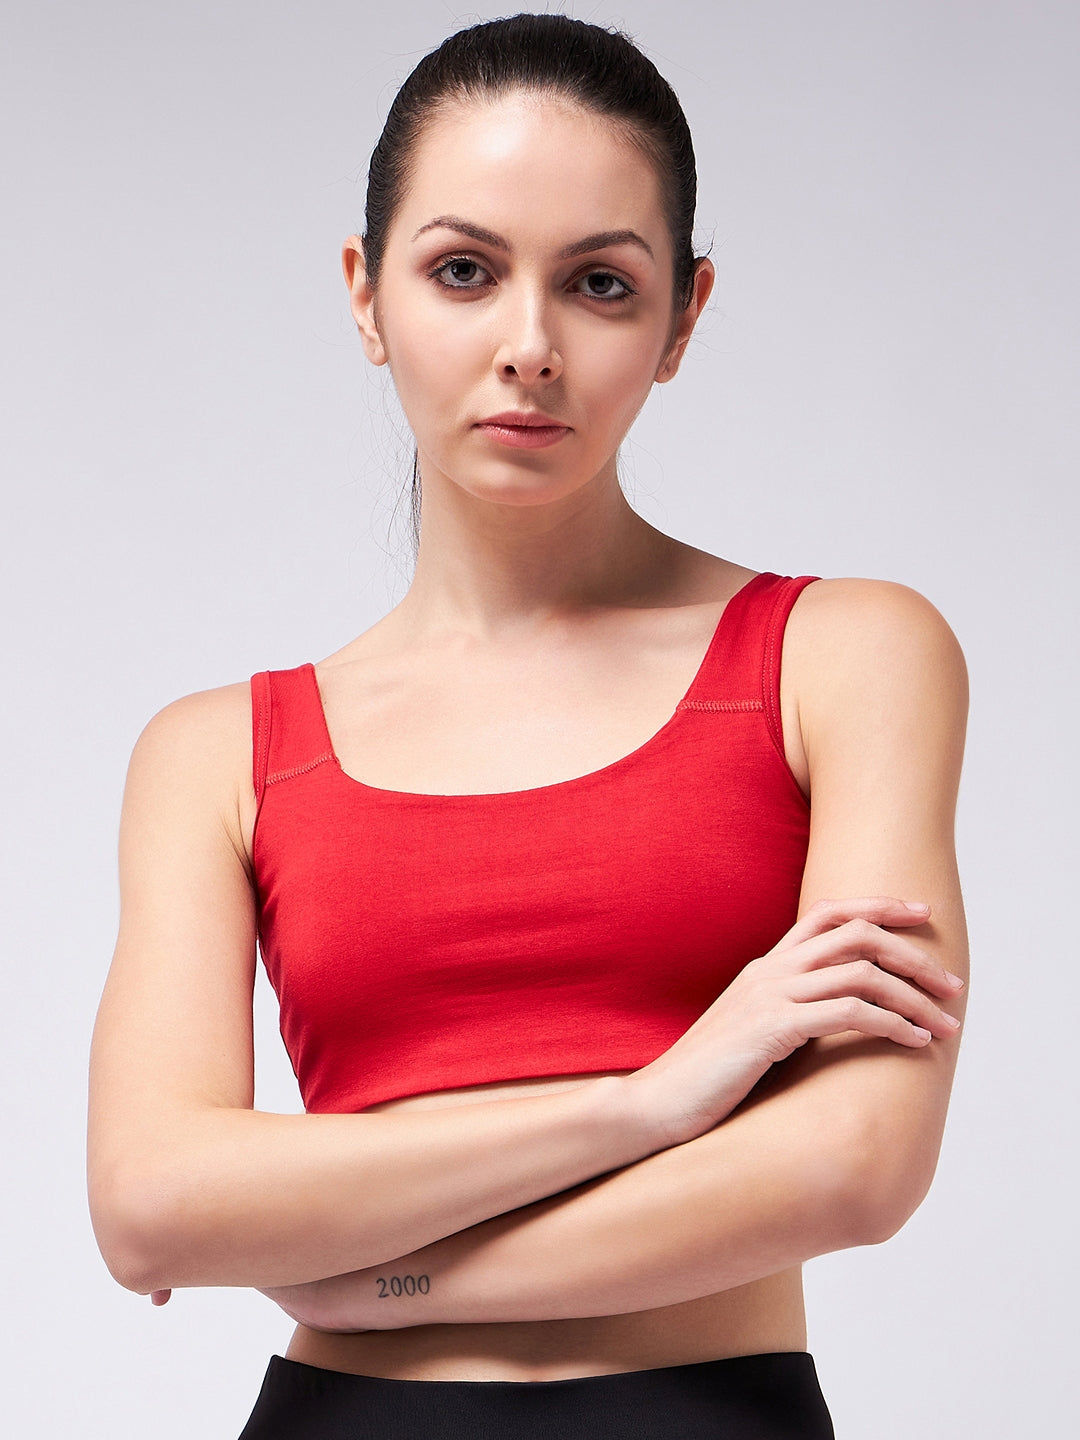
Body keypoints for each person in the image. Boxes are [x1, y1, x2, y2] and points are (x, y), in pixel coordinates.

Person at [87, 14, 968, 1438]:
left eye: (602, 285)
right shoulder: (213, 755)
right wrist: (656, 1100)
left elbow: (856, 1165)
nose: (530, 346)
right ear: (367, 295)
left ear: (683, 317)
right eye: (463, 271)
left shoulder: (845, 654)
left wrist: (367, 1279)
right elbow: (151, 1206)